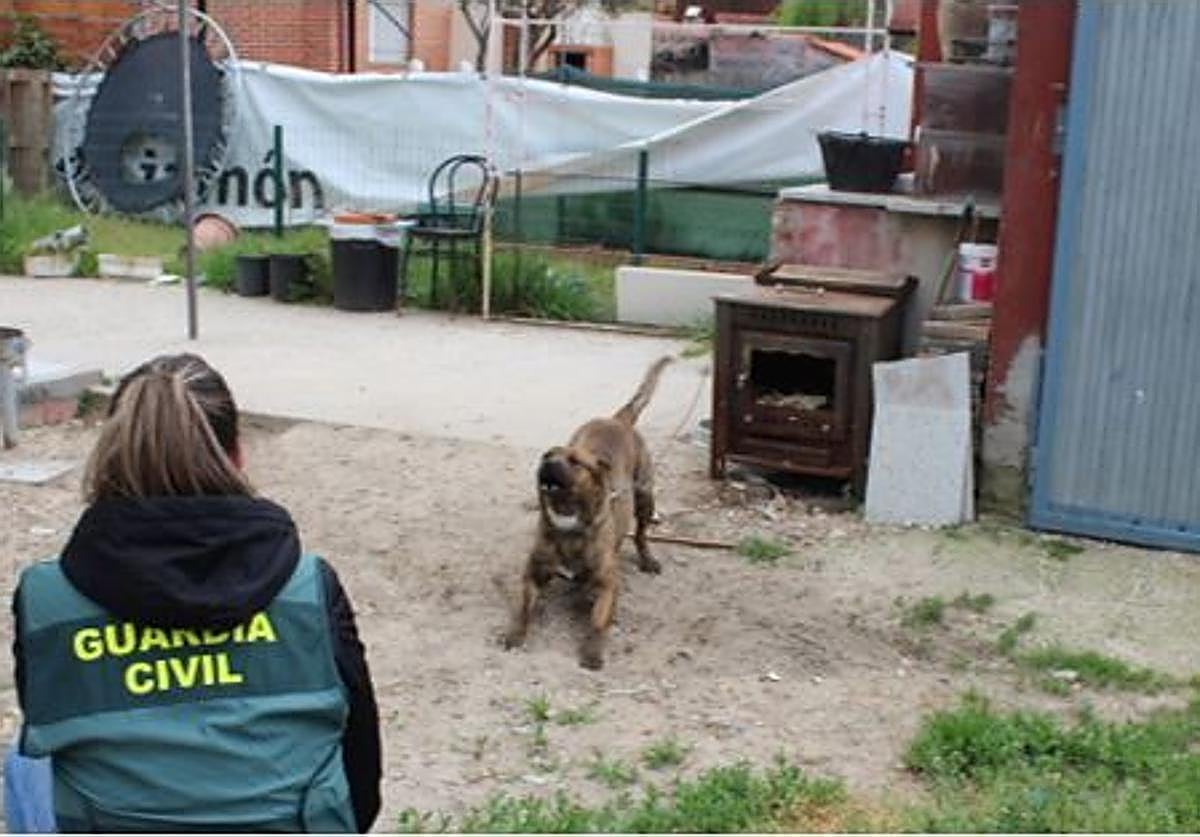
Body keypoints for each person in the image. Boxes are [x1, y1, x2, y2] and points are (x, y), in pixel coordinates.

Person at [7, 353, 382, 832]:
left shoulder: (46, 598)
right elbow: (362, 783)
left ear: (110, 458)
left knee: (25, 760)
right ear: (237, 455)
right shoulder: (310, 588)